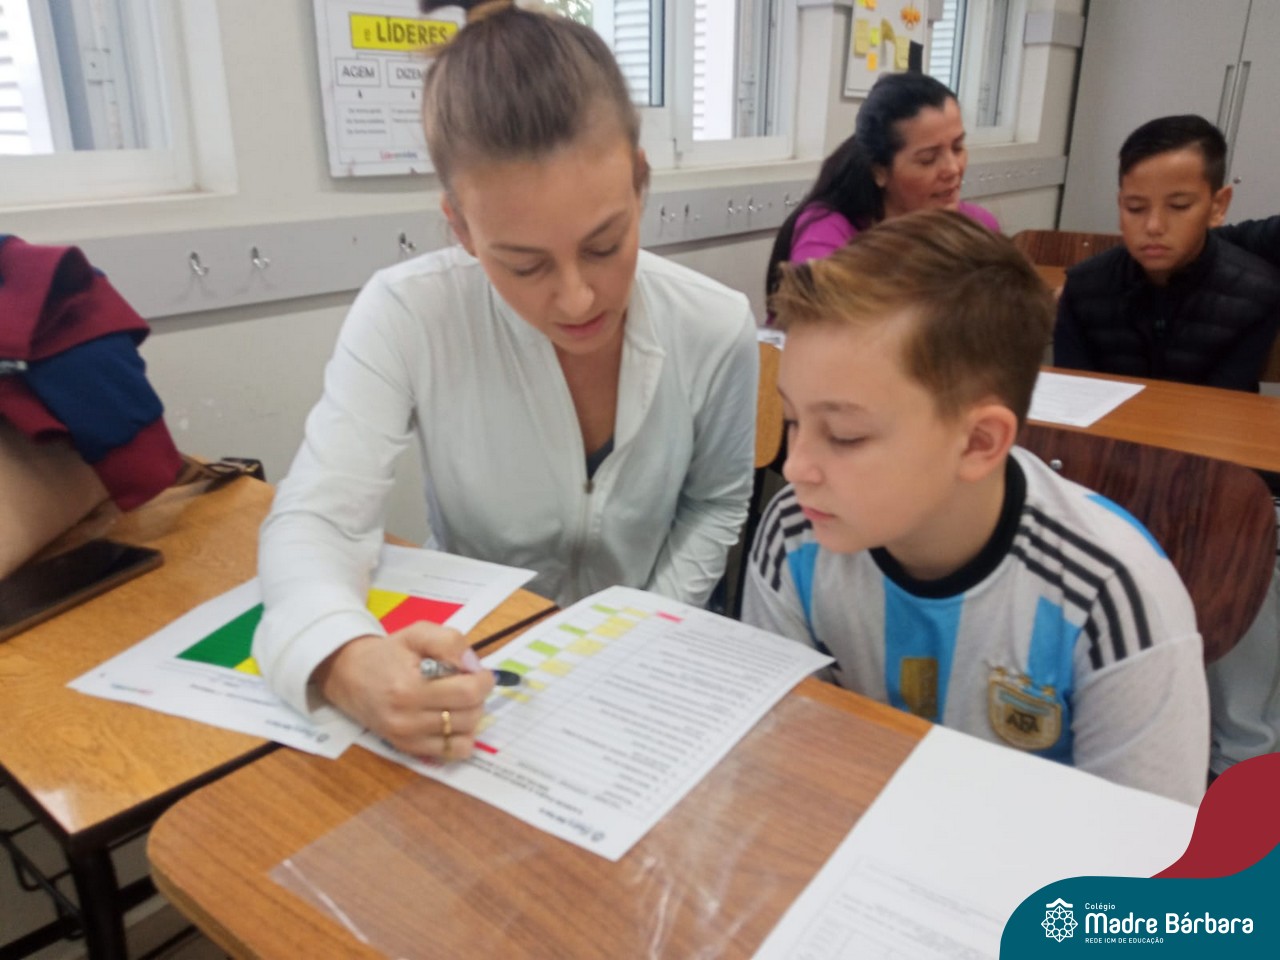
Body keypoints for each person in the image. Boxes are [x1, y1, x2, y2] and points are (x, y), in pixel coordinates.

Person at [253, 1, 758, 761]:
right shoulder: (409, 313)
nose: (577, 299)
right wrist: (343, 657)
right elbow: (317, 517)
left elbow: (716, 502)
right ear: (460, 228)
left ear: (640, 181)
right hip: (475, 670)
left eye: (605, 245)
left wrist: (636, 633)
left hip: (644, 675)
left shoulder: (714, 325)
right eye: (523, 264)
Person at [743, 210, 1210, 804]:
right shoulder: (795, 531)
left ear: (979, 442)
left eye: (844, 436)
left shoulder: (1111, 596)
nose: (796, 468)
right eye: (792, 419)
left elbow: (1147, 847)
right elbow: (775, 756)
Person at [1053, 114, 1280, 393]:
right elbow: (1070, 394)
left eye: (1179, 206)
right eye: (1135, 208)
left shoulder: (1257, 294)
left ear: (1218, 206)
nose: (1153, 226)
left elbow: (1223, 402)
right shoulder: (1083, 286)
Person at [764, 71, 999, 302]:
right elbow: (815, 319)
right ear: (880, 171)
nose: (953, 169)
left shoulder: (978, 227)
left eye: (958, 148)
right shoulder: (830, 233)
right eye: (928, 159)